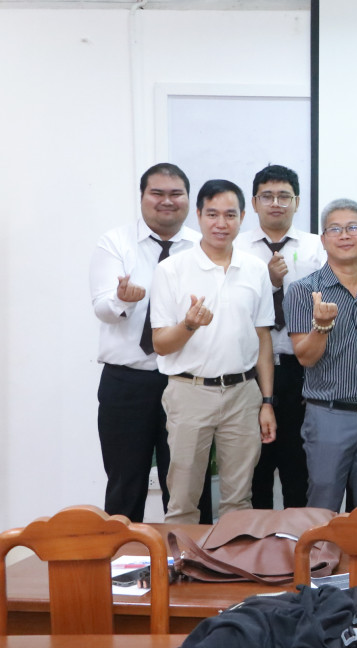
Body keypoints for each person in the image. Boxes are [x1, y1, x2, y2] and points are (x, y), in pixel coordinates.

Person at [151, 180, 276, 523]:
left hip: (243, 394)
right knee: (183, 500)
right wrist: (189, 325)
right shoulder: (171, 269)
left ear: (243, 217)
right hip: (189, 391)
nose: (221, 223)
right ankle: (181, 559)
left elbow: (263, 338)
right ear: (199, 215)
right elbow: (160, 343)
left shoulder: (255, 269)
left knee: (239, 500)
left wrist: (267, 401)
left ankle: (232, 559)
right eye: (212, 214)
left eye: (230, 215)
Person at [89, 163, 203, 522]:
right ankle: (122, 556)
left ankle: (187, 555)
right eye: (157, 193)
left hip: (185, 381)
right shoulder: (115, 242)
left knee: (186, 488)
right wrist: (122, 299)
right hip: (127, 382)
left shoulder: (202, 247)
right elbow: (102, 308)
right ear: (142, 197)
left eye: (176, 193)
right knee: (125, 483)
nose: (167, 201)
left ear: (188, 199)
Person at [285, 199, 357, 511]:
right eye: (335, 229)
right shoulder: (304, 291)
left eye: (353, 228)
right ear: (323, 240)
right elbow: (305, 357)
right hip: (328, 416)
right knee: (323, 509)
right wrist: (321, 327)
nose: (344, 235)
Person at [234, 164, 325, 509]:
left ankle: (298, 541)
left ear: (297, 202)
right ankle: (256, 541)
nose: (276, 203)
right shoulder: (236, 248)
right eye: (267, 196)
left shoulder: (317, 247)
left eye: (284, 196)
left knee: (298, 469)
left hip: (301, 369)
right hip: (250, 371)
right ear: (254, 202)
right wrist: (271, 283)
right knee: (254, 469)